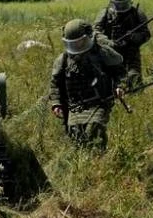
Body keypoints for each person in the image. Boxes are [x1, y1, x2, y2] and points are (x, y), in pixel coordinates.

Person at [49, 18, 126, 151]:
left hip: (99, 103)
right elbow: (55, 84)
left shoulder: (102, 53)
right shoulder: (64, 60)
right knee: (76, 136)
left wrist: (120, 86)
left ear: (88, 38)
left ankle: (99, 159)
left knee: (94, 129)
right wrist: (56, 103)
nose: (77, 46)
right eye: (73, 43)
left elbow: (120, 72)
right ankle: (86, 164)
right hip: (75, 106)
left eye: (80, 42)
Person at [93, 0, 151, 87]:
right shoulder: (105, 13)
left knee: (135, 80)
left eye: (124, 4)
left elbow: (146, 34)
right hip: (110, 51)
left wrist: (133, 36)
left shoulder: (137, 13)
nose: (121, 7)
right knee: (109, 81)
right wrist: (108, 42)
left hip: (131, 52)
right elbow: (95, 32)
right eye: (118, 4)